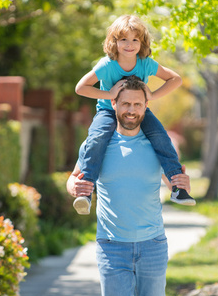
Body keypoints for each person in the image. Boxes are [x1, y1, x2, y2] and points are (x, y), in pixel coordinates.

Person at [66, 76, 192, 296]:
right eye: (126, 104)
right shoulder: (98, 143)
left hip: (152, 247)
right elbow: (74, 179)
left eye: (137, 104)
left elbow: (175, 181)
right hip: (112, 248)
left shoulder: (158, 145)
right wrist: (76, 188)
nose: (131, 110)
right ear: (114, 104)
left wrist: (183, 182)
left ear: (146, 106)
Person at [72, 14, 195, 215]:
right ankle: (85, 191)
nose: (129, 45)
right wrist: (110, 94)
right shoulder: (107, 64)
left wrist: (152, 95)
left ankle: (178, 188)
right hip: (107, 110)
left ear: (142, 42)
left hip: (139, 110)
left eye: (135, 40)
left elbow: (176, 79)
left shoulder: (146, 63)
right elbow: (81, 87)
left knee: (161, 137)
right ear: (114, 41)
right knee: (96, 139)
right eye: (123, 40)